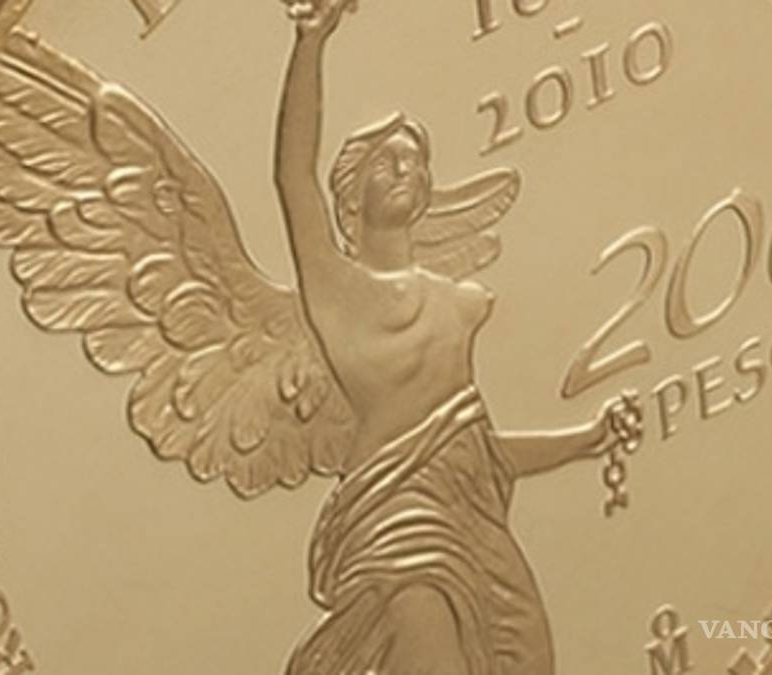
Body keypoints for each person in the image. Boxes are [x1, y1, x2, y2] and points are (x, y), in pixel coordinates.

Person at [274, 1, 631, 672]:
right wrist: (310, 42)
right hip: (398, 529)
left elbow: (479, 451)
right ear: (349, 200)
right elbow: (293, 179)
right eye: (387, 162)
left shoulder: (457, 303)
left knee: (528, 655)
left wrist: (588, 438)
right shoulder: (341, 294)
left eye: (415, 162)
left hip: (476, 527)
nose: (405, 170)